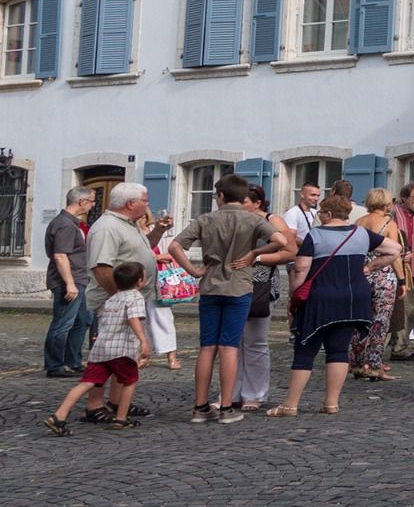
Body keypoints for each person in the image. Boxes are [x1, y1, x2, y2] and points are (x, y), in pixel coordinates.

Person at [266, 194, 400, 417]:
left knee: (305, 350)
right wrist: (369, 268)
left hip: (321, 297)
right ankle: (331, 403)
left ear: (328, 214)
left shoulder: (316, 235)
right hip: (352, 298)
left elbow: (300, 269)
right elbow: (394, 249)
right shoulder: (361, 234)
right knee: (338, 350)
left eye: (321, 213)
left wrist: (295, 296)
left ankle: (290, 404)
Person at [169, 173, 285, 424]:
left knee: (207, 347)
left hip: (210, 286)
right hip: (239, 286)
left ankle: (200, 407)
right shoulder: (252, 219)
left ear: (220, 196)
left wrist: (193, 270)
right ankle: (226, 407)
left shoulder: (206, 219)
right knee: (230, 346)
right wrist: (254, 252)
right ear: (243, 196)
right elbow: (281, 240)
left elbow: (175, 246)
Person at [80, 182, 166, 424]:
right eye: (145, 200)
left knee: (126, 353)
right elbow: (101, 267)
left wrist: (158, 231)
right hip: (112, 304)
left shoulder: (128, 224)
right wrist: (120, 298)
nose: (148, 204)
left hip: (130, 301)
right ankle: (95, 405)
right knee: (106, 355)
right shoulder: (107, 228)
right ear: (130, 204)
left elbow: (142, 250)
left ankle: (118, 403)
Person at [43, 261, 150, 435]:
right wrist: (143, 341)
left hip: (100, 350)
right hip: (121, 350)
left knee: (86, 383)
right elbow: (133, 319)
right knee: (129, 380)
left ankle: (59, 415)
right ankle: (121, 418)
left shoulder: (111, 299)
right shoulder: (135, 297)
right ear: (139, 281)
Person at [236, 184, 296, 412]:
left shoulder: (274, 221)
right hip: (234, 283)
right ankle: (231, 391)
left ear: (257, 203)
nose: (239, 206)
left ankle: (255, 392)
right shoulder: (236, 219)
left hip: (261, 285)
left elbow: (290, 252)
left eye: (243, 202)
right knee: (233, 342)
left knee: (255, 340)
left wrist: (258, 259)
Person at [350, 188, 404, 382]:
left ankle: (356, 363)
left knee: (360, 320)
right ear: (387, 204)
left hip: (361, 273)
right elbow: (394, 255)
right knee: (380, 321)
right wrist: (402, 280)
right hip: (382, 274)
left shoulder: (358, 223)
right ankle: (374, 365)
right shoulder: (389, 223)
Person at [43, 186, 96, 378]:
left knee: (83, 320)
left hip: (80, 278)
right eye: (91, 201)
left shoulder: (71, 223)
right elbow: (60, 256)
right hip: (70, 280)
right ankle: (54, 365)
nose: (92, 205)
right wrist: (69, 283)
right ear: (81, 202)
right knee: (63, 323)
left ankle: (73, 361)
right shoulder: (65, 224)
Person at [389, 182, 414, 360]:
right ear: (404, 198)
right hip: (393, 268)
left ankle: (400, 347)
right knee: (389, 309)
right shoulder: (393, 213)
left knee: (410, 310)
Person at [147, 221, 183, 371]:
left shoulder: (158, 232)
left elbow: (173, 252)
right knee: (139, 319)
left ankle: (171, 356)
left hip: (159, 280)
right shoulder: (131, 230)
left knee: (164, 317)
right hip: (138, 279)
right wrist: (154, 258)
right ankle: (144, 354)